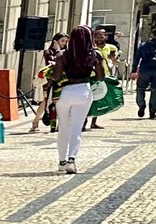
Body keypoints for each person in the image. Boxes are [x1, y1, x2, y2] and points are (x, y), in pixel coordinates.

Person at [45, 28, 108, 173]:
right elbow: (101, 77)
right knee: (76, 129)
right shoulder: (94, 54)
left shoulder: (62, 55)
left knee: (63, 128)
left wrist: (52, 70)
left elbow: (55, 77)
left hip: (65, 93)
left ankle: (61, 161)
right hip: (83, 91)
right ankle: (71, 160)